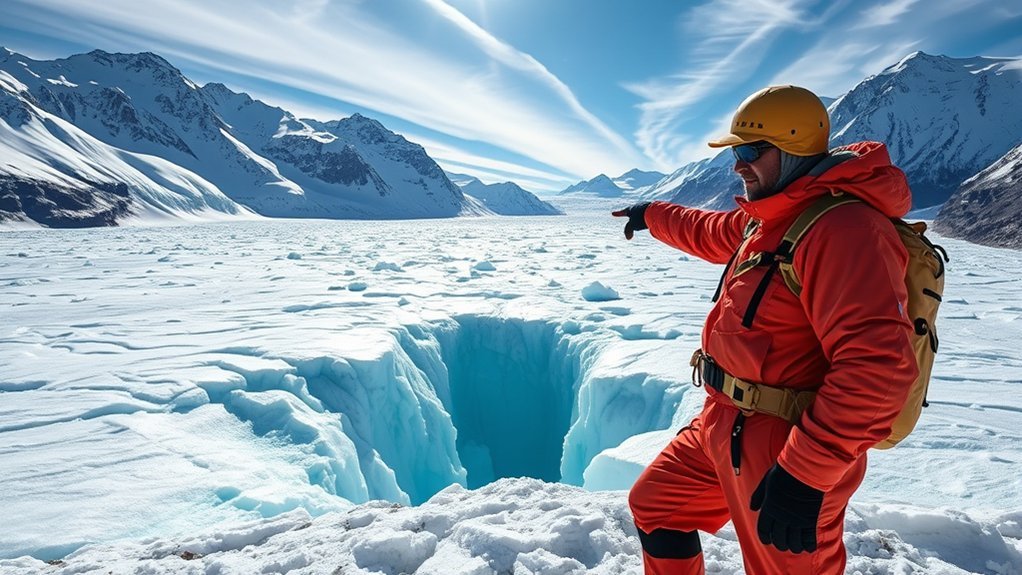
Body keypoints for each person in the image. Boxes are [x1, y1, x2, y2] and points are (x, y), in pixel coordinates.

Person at [612, 85, 918, 574]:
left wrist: (805, 473)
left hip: (786, 442)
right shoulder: (771, 217)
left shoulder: (844, 230)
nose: (738, 164)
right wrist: (652, 215)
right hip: (723, 423)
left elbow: (878, 366)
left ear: (795, 149)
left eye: (751, 151)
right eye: (737, 151)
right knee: (659, 503)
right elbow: (710, 231)